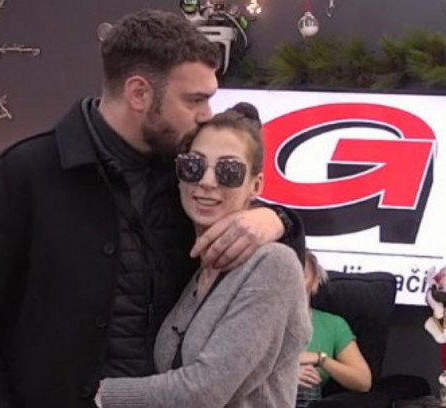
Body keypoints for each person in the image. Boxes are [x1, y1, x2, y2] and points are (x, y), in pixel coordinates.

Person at [0, 9, 305, 408]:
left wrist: (280, 219)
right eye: (194, 100)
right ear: (139, 93)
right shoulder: (23, 174)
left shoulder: (185, 176)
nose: (206, 115)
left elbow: (265, 252)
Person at [94, 103, 311, 408]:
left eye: (229, 171)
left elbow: (203, 391)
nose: (207, 181)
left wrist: (97, 395)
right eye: (193, 166)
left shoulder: (272, 264)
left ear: (256, 185)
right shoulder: (200, 268)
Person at [296, 249, 372, 407]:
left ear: (315, 282)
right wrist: (284, 375)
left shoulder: (333, 325)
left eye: (301, 275)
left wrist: (321, 359)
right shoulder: (258, 320)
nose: (292, 282)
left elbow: (363, 382)